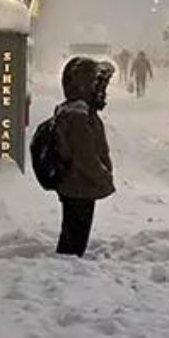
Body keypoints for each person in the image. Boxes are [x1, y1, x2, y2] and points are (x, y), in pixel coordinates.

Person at [54, 57, 115, 258]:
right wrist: (103, 176)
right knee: (73, 243)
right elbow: (85, 155)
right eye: (96, 86)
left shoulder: (78, 111)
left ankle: (67, 273)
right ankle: (66, 276)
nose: (101, 92)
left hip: (79, 185)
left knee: (74, 237)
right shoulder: (78, 116)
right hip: (79, 185)